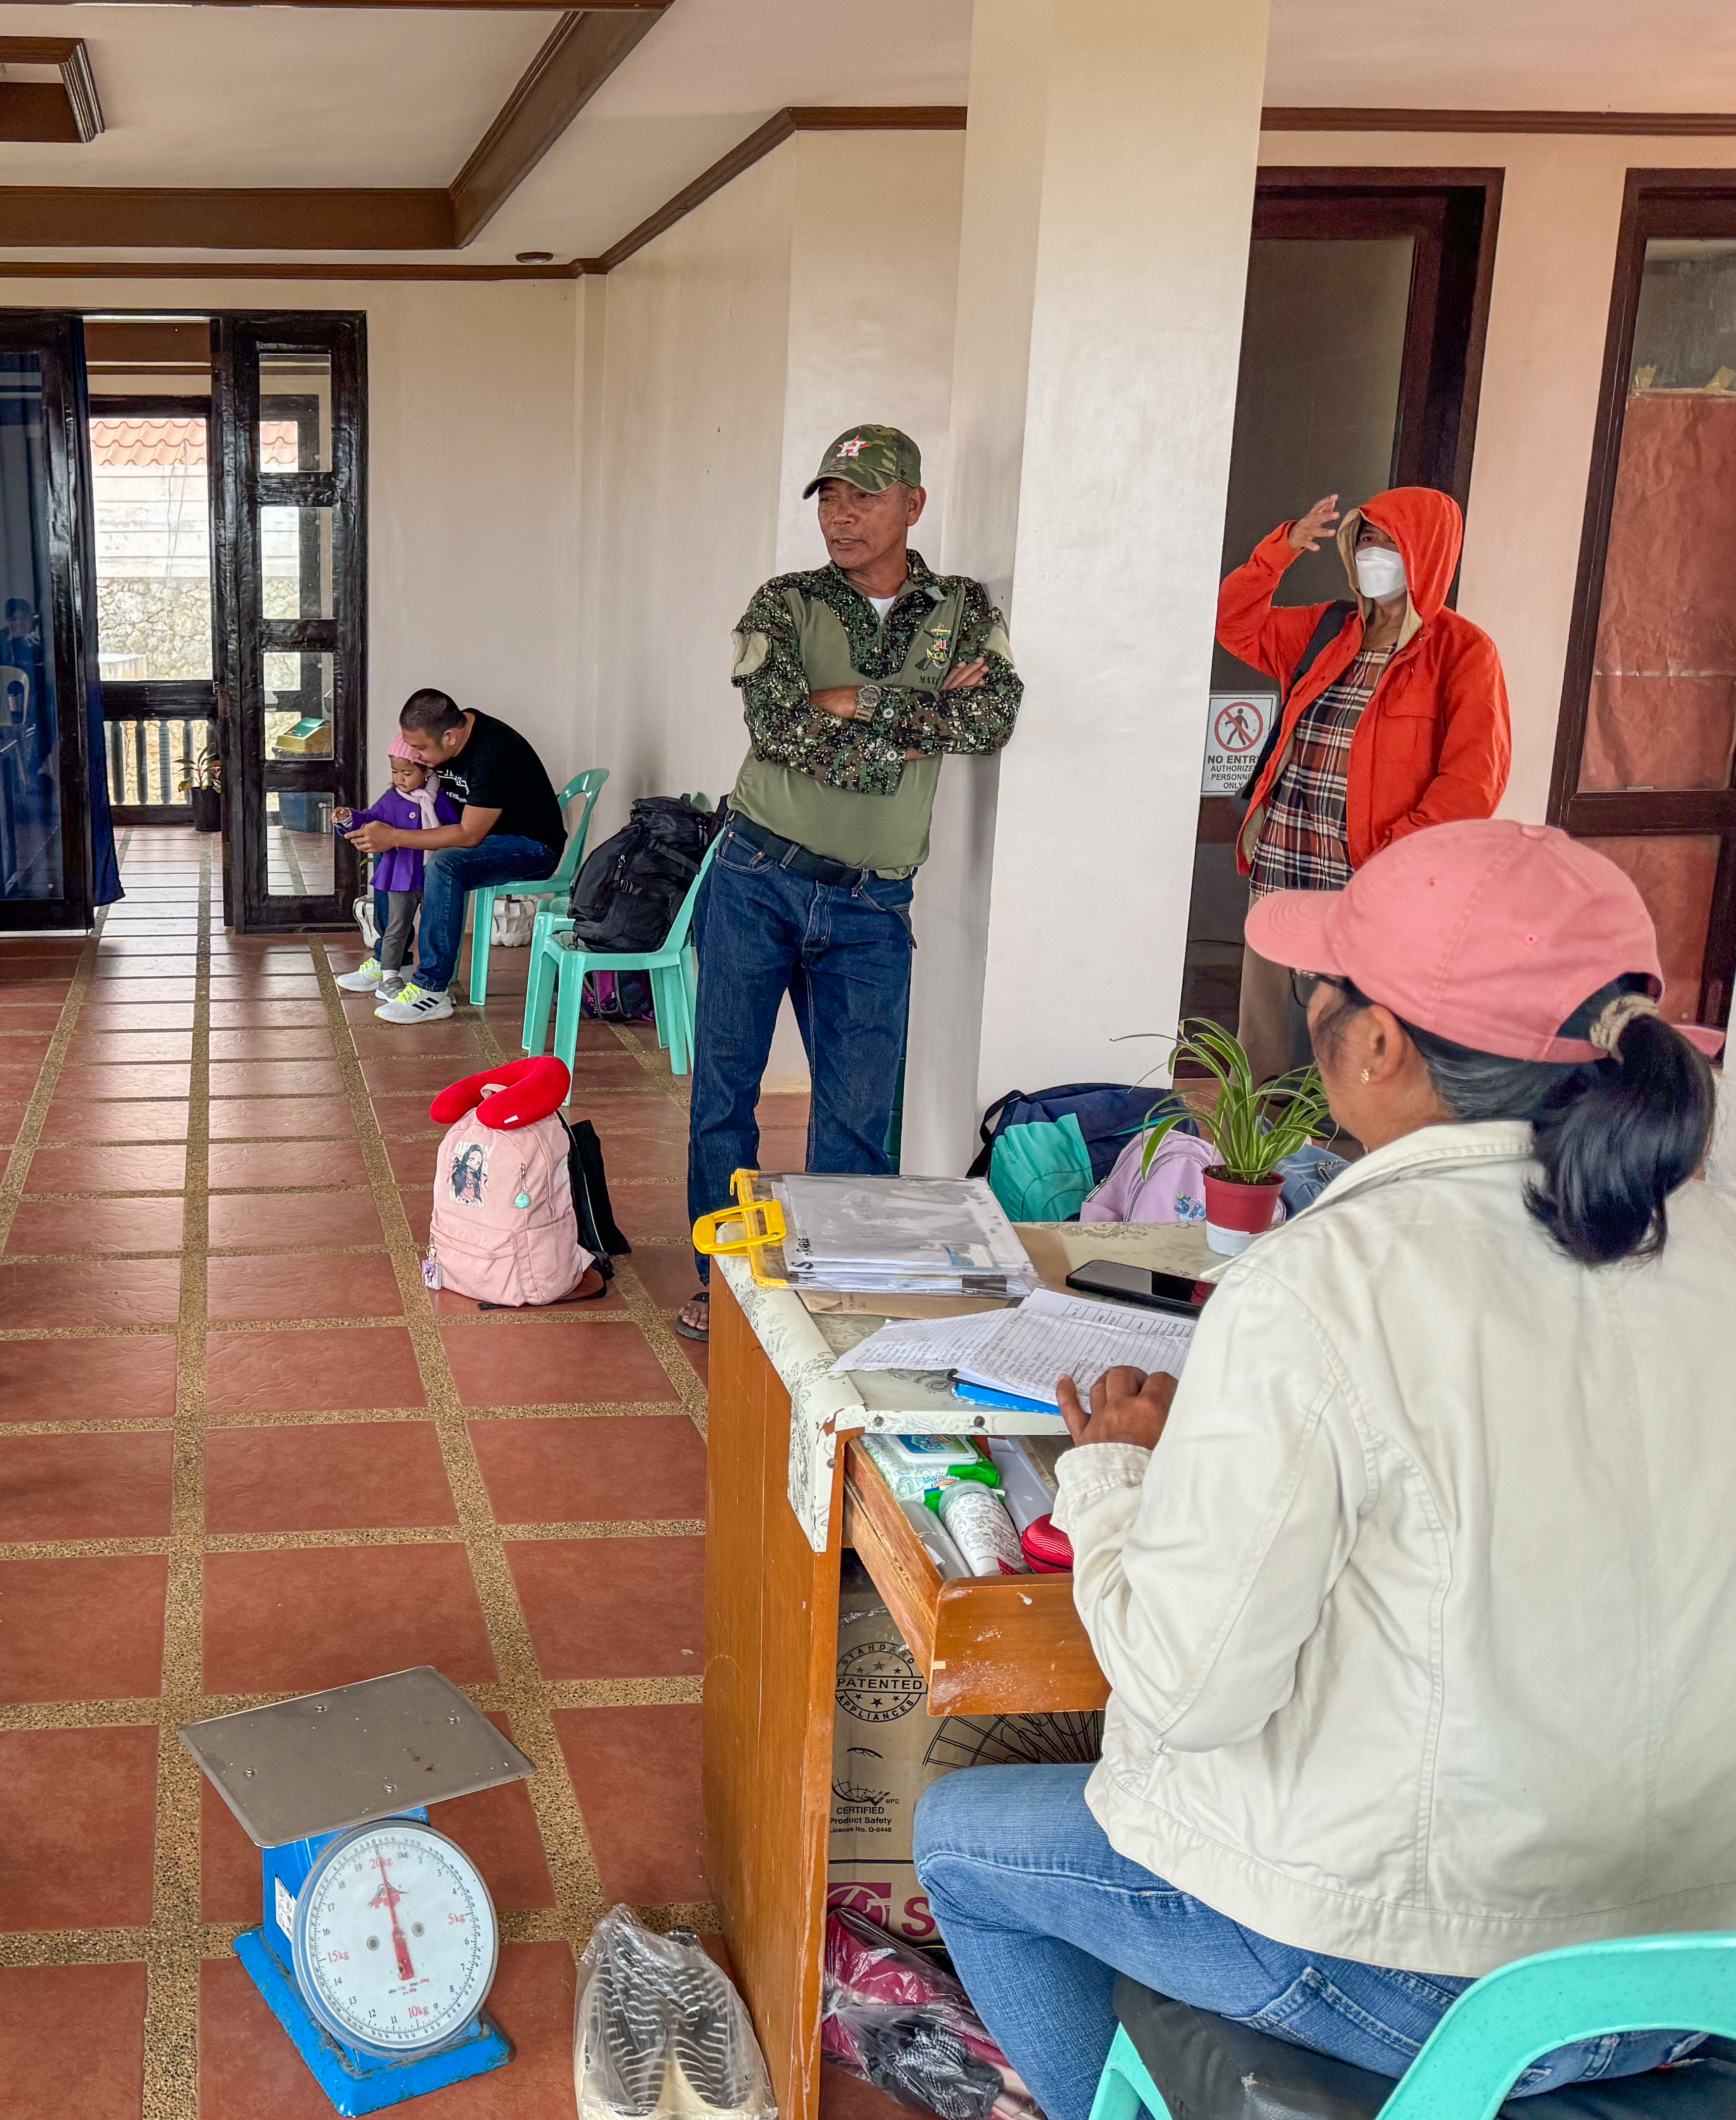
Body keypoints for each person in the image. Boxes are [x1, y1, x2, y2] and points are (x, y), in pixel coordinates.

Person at [911, 820, 1730, 2120]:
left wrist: (1113, 1476)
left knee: (960, 1842)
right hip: (1694, 1965)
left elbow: (1188, 1688)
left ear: (1380, 1042)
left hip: (1427, 1966)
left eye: (1324, 989)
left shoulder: (1322, 1284)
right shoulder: (1709, 1234)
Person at [677, 425, 1021, 1342]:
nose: (840, 516)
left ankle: (833, 1283)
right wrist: (916, 718)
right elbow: (777, 727)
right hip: (756, 875)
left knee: (859, 1112)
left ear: (912, 503)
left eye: (862, 496)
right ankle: (726, 1284)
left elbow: (990, 718)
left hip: (872, 900)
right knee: (725, 1093)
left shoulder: (959, 606)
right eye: (828, 497)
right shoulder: (784, 602)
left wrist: (852, 701)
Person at [1217, 486, 1508, 1079]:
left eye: (1390, 542)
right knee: (1267, 1044)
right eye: (1365, 538)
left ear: (1424, 553)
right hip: (1285, 861)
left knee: (1357, 1048)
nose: (1373, 552)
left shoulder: (1462, 652)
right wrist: (1281, 551)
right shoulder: (1329, 630)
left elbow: (1472, 784)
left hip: (1369, 880)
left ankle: (1346, 1140)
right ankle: (1259, 1137)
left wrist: (1392, 860)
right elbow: (1232, 622)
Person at [352, 689, 568, 1026]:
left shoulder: (492, 752)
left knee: (445, 864)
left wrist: (394, 835)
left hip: (532, 847)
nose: (415, 756)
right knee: (392, 845)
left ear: (450, 738)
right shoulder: (448, 736)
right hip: (489, 838)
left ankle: (432, 990)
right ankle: (392, 961)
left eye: (421, 749)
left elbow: (469, 835)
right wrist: (382, 833)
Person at [332, 736, 461, 1000]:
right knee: (396, 927)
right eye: (395, 772)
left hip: (433, 877)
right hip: (401, 877)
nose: (399, 779)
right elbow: (370, 820)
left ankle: (429, 980)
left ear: (427, 772)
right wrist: (348, 819)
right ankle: (389, 977)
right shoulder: (393, 799)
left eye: (407, 773)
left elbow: (456, 829)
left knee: (433, 927)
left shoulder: (441, 799)